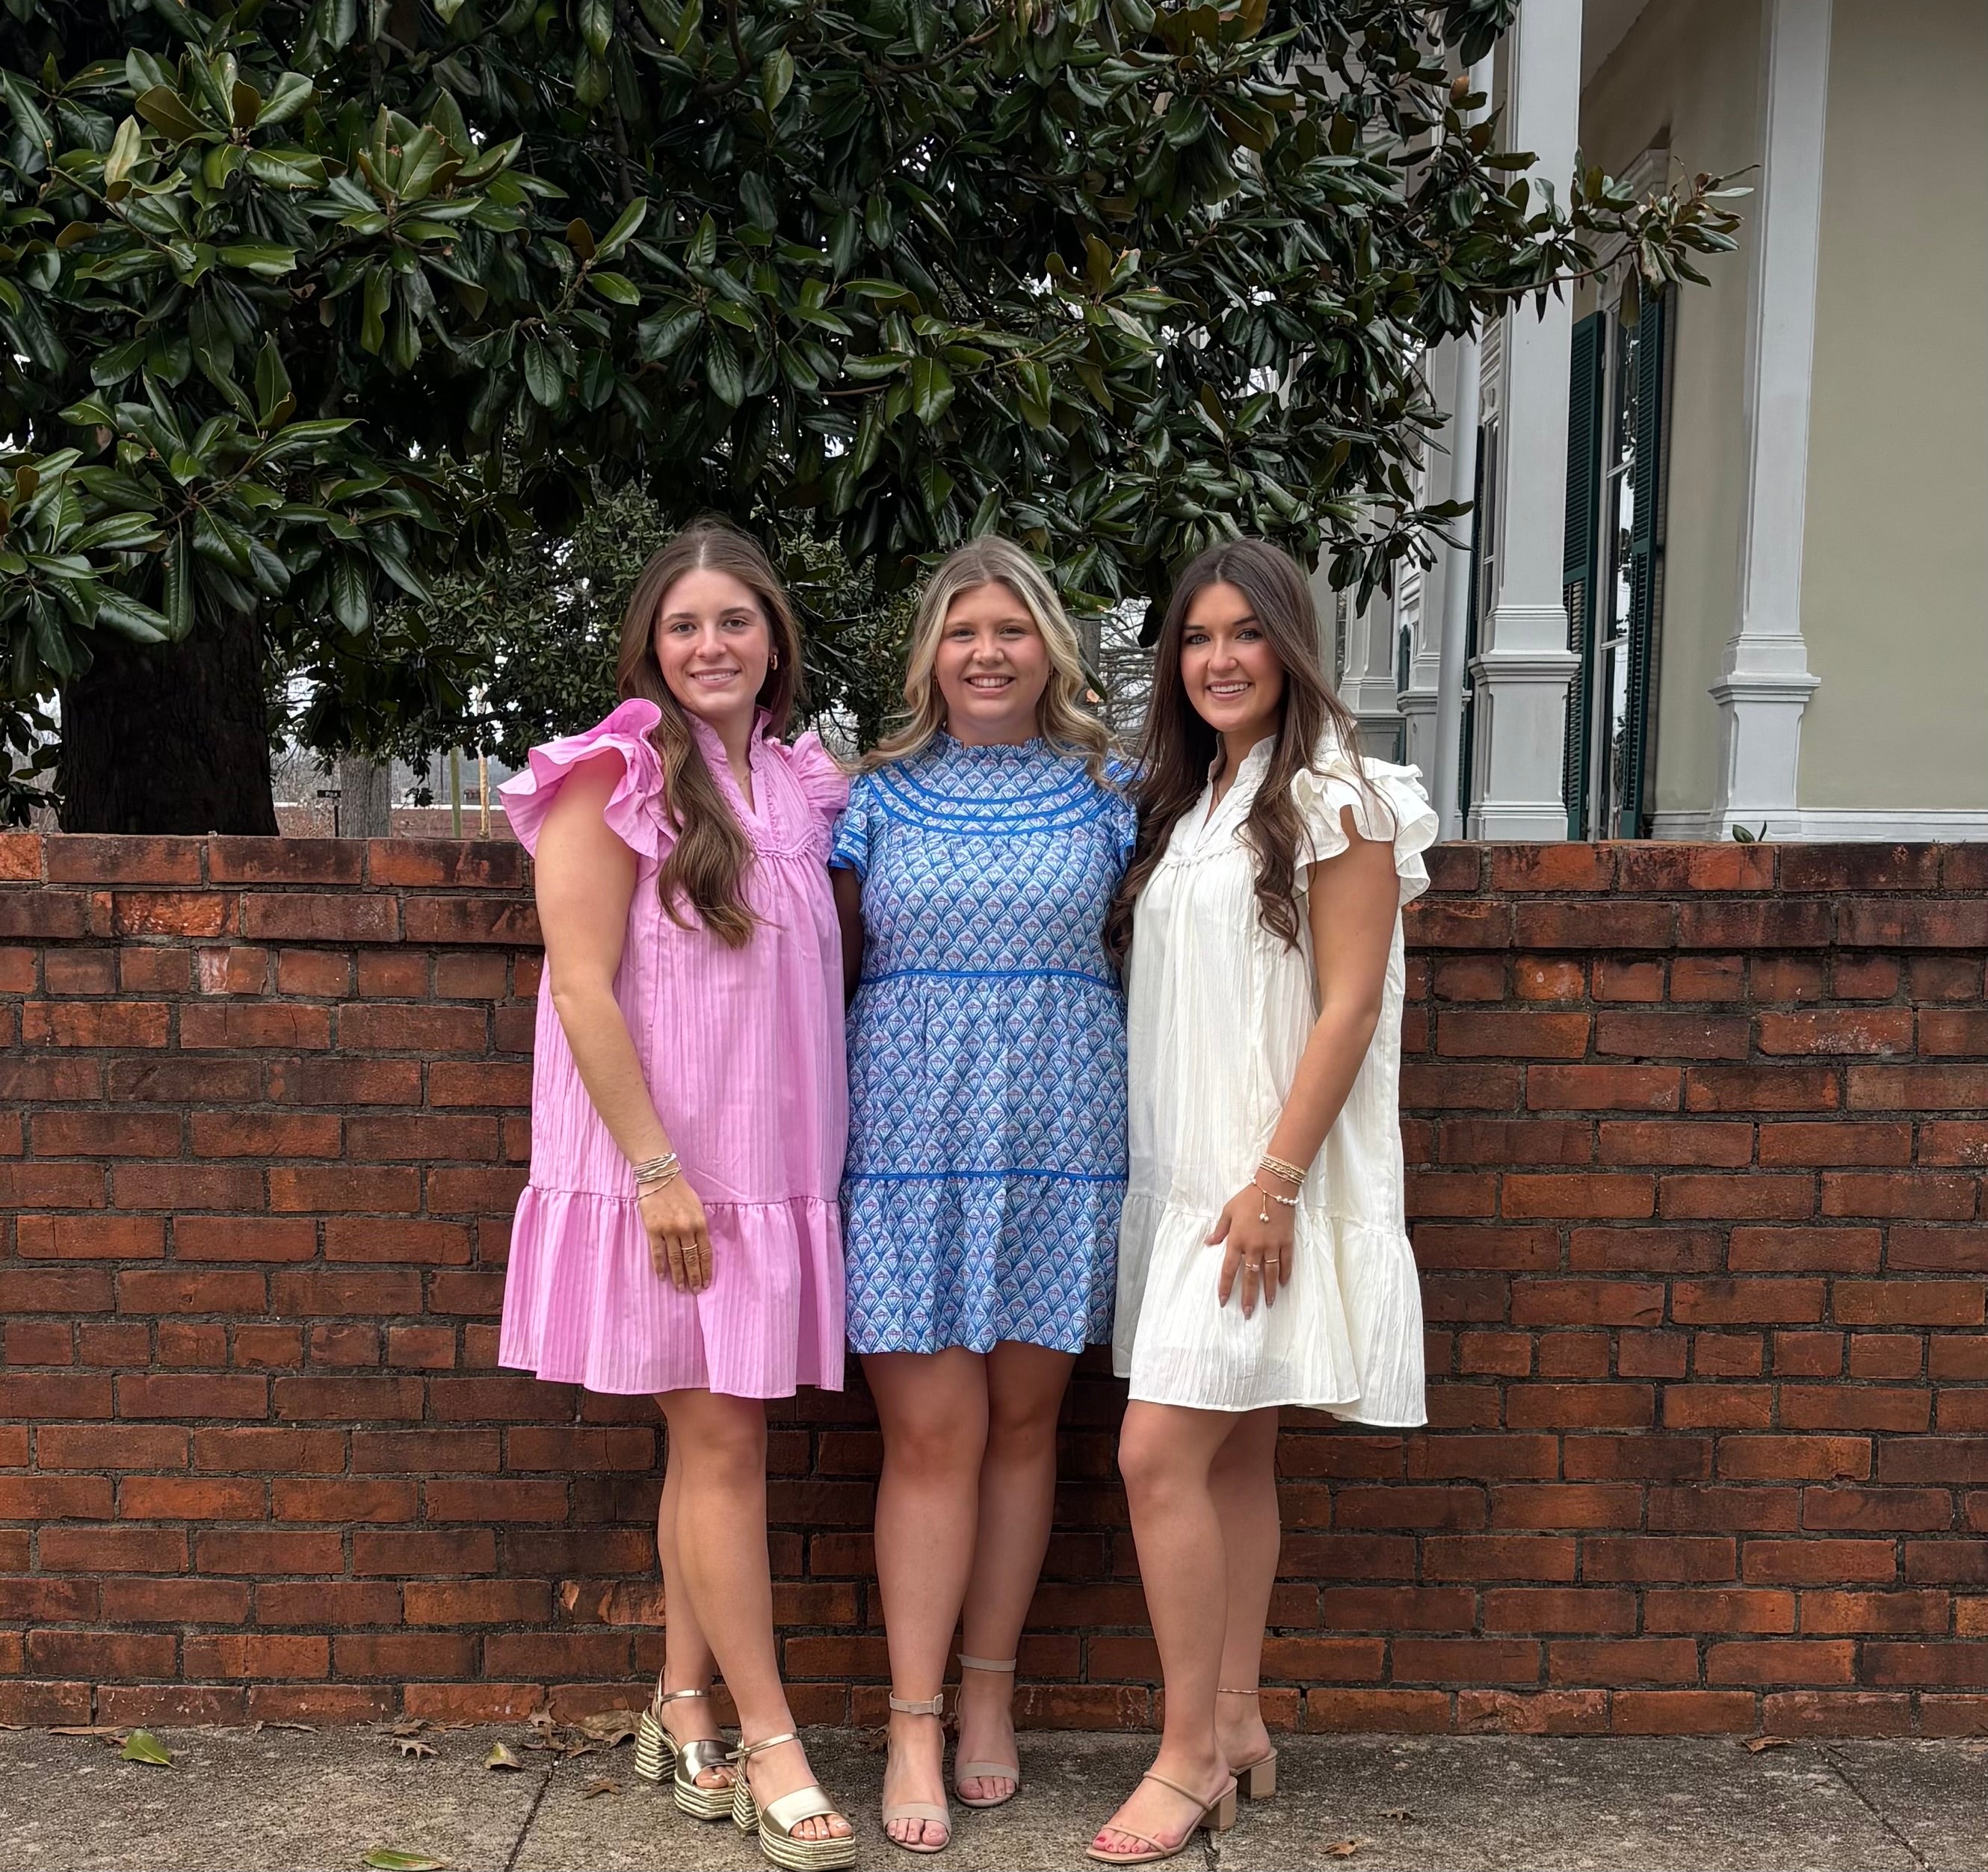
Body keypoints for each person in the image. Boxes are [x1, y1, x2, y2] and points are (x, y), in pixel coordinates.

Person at [497, 519, 858, 1871]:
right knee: (723, 1443)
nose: (711, 645)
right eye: (685, 625)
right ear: (653, 643)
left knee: (716, 1442)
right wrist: (656, 1169)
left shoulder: (800, 782)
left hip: (774, 1166)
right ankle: (771, 1739)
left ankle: (685, 1701)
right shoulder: (615, 773)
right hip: (672, 1168)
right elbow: (581, 984)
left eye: (736, 621)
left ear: (776, 640)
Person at [1088, 540, 1436, 1867]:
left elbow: (1350, 1003)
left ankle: (1182, 1755)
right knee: (1229, 1454)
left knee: (1156, 1453)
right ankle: (1234, 1721)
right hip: (1187, 1181)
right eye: (1195, 638)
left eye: (1245, 634)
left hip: (1265, 1182)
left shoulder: (1343, 794)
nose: (1219, 658)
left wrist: (1279, 1181)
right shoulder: (1195, 800)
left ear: (1293, 645)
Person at [830, 536, 1135, 1854]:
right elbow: (818, 967)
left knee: (1025, 1429)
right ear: (930, 657)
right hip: (906, 1143)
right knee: (931, 1435)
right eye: (964, 632)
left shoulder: (1110, 792)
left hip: (1065, 1137)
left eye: (1013, 629)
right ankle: (909, 1716)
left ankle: (989, 1695)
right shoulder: (874, 799)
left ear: (1051, 646)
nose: (990, 652)